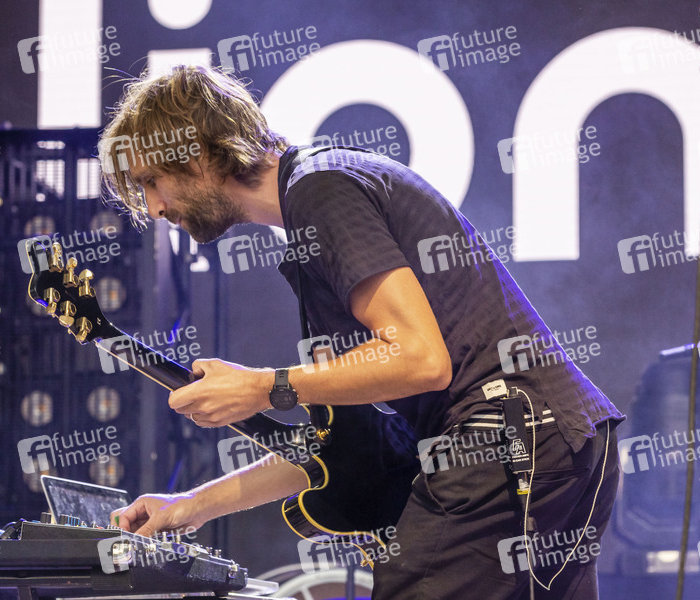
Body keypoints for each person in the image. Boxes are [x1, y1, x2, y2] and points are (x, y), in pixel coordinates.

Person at [98, 64, 624, 600]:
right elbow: (340, 446)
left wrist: (261, 387)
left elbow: (421, 359)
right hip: (559, 438)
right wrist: (190, 505)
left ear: (197, 156)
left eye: (151, 181)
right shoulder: (319, 197)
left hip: (508, 436)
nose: (155, 207)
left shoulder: (320, 190)